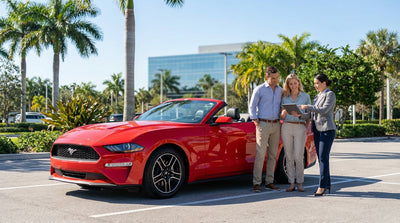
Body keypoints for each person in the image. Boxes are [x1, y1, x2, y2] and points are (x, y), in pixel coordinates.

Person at [298, 73, 336, 196]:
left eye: (317, 83)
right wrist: (299, 114)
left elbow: (324, 110)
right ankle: (327, 183)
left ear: (324, 83)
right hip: (317, 130)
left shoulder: (330, 94)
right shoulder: (317, 96)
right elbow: (312, 115)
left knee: (323, 158)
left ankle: (322, 186)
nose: (315, 85)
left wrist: (308, 107)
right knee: (322, 158)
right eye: (314, 83)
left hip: (327, 130)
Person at [249, 66, 283, 192]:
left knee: (273, 155)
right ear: (267, 77)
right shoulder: (259, 89)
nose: (275, 80)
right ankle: (256, 183)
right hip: (263, 124)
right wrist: (256, 120)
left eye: (277, 78)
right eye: (273, 78)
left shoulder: (280, 90)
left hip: (276, 124)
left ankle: (269, 182)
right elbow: (252, 106)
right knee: (261, 154)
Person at [280, 74, 311, 192]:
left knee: (298, 156)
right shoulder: (284, 97)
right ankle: (291, 183)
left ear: (298, 83)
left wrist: (305, 126)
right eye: (291, 84)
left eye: (295, 83)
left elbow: (309, 114)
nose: (293, 86)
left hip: (300, 127)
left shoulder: (305, 96)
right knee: (288, 155)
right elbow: (281, 114)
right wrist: (283, 113)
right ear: (288, 85)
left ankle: (300, 182)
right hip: (287, 126)